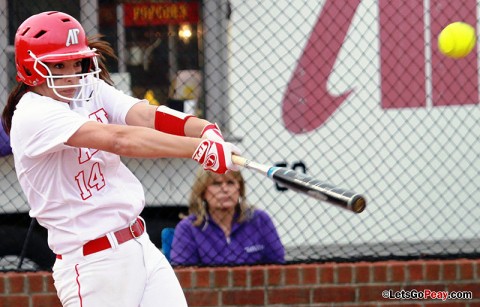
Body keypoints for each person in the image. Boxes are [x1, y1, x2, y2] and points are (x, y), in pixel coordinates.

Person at [2, 11, 242, 307]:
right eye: (59, 66)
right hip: (93, 265)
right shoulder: (33, 113)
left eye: (76, 63)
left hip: (139, 246)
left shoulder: (86, 89)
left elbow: (144, 114)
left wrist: (203, 129)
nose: (72, 74)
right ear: (31, 68)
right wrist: (197, 148)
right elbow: (120, 138)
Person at [170, 169, 285, 266]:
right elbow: (183, 277)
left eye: (230, 183)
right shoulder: (188, 228)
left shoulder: (260, 220)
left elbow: (279, 267)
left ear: (239, 189)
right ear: (202, 191)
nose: (225, 189)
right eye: (216, 183)